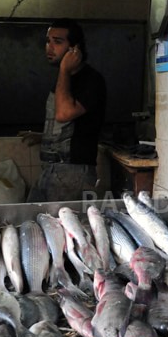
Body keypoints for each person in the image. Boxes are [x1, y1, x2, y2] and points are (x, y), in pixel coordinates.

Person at [25, 18, 107, 202]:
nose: (49, 47)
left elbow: (64, 114)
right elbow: (69, 125)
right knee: (31, 215)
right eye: (48, 41)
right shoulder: (65, 80)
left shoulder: (91, 80)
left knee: (53, 219)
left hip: (72, 172)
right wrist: (44, 136)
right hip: (53, 169)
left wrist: (64, 69)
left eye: (57, 42)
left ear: (74, 48)